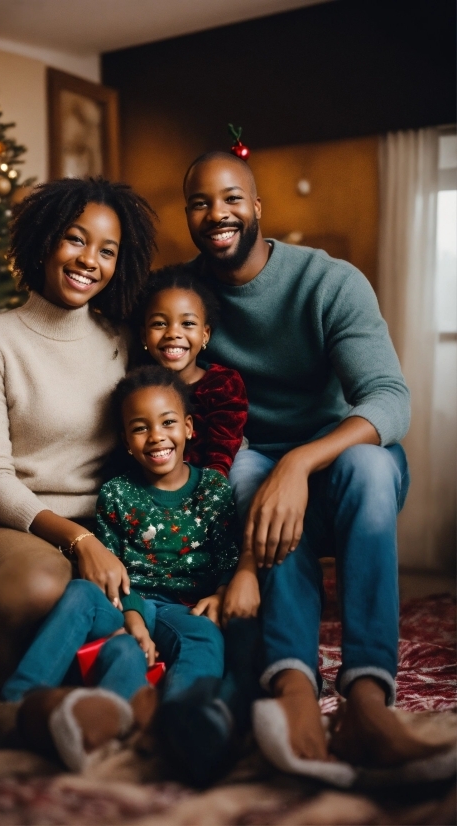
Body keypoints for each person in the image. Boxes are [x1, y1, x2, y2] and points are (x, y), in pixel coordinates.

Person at [181, 151, 442, 772]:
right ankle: (295, 690)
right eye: (200, 202)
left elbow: (390, 400)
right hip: (248, 465)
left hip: (337, 465)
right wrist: (274, 472)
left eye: (232, 198)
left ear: (258, 210)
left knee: (371, 467)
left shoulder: (328, 281)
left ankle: (367, 700)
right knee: (244, 479)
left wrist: (298, 463)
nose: (218, 213)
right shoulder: (184, 296)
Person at [0, 177, 156, 700]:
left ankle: (54, 699)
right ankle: (17, 697)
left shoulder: (122, 341)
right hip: (9, 527)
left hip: (107, 527)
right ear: (44, 240)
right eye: (76, 239)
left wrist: (106, 540)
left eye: (108, 251)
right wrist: (78, 540)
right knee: (50, 589)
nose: (89, 260)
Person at [15, 365, 260, 783]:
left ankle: (178, 721)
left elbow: (227, 554)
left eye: (167, 423)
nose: (156, 437)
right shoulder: (116, 493)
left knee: (206, 635)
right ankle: (16, 703)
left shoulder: (213, 490)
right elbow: (113, 564)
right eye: (140, 428)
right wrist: (131, 618)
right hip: (127, 600)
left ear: (188, 428)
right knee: (78, 594)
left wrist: (220, 593)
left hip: (181, 608)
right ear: (127, 441)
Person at [138, 266, 248, 477]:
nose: (173, 334)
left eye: (187, 323)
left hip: (212, 484)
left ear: (205, 335)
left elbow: (221, 457)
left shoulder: (223, 384)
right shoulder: (138, 388)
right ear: (144, 336)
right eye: (160, 323)